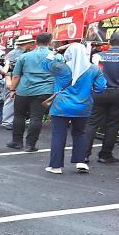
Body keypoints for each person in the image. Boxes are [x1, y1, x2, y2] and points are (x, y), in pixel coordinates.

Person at [45, 42, 106, 174]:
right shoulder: (94, 69)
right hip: (83, 107)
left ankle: (56, 166)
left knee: (58, 135)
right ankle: (81, 161)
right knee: (80, 133)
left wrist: (56, 50)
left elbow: (45, 63)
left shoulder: (61, 68)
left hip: (61, 106)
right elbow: (101, 88)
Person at [87, 32, 119, 164]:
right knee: (113, 125)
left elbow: (92, 71)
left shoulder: (97, 56)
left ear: (110, 42)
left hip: (99, 92)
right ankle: (105, 155)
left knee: (92, 123)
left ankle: (84, 155)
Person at [6, 34, 54, 152]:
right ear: (50, 42)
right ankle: (30, 145)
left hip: (24, 90)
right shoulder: (56, 57)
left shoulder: (24, 56)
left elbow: (16, 75)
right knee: (36, 118)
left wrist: (12, 89)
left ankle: (17, 142)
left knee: (19, 115)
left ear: (36, 42)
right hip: (45, 91)